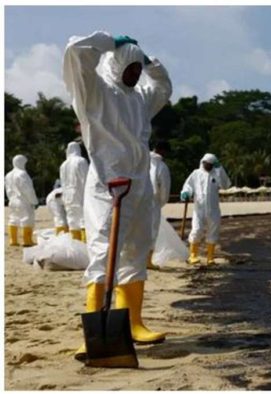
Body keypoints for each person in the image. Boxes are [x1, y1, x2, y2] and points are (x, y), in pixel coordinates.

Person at [63, 31, 172, 362]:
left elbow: (163, 89)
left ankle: (134, 322)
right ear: (117, 63)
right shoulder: (94, 91)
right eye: (132, 67)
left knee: (136, 251)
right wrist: (111, 43)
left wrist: (149, 61)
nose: (136, 74)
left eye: (138, 69)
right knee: (102, 252)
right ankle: (93, 333)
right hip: (107, 184)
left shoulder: (137, 97)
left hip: (137, 184)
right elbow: (76, 51)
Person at [180, 153, 231, 265]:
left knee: (213, 231)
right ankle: (192, 255)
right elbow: (188, 186)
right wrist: (186, 193)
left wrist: (220, 168)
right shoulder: (196, 174)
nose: (208, 166)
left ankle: (210, 257)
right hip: (199, 209)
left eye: (211, 164)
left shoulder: (216, 175)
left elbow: (226, 185)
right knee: (197, 230)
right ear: (202, 162)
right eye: (206, 163)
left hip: (213, 209)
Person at [5, 155, 39, 247]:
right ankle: (27, 241)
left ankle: (13, 240)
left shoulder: (8, 175)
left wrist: (10, 199)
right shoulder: (22, 174)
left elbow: (7, 189)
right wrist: (34, 201)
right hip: (23, 201)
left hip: (12, 201)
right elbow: (28, 190)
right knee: (27, 219)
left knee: (13, 219)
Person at [147, 140, 171, 270]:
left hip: (137, 200)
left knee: (135, 228)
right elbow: (164, 189)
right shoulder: (162, 167)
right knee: (151, 230)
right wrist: (161, 203)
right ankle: (147, 261)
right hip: (153, 202)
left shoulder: (141, 159)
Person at [59, 141, 89, 242]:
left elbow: (62, 183)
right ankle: (85, 244)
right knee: (84, 219)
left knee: (72, 220)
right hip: (80, 193)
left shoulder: (63, 165)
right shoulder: (81, 161)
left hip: (67, 195)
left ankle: (76, 245)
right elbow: (85, 179)